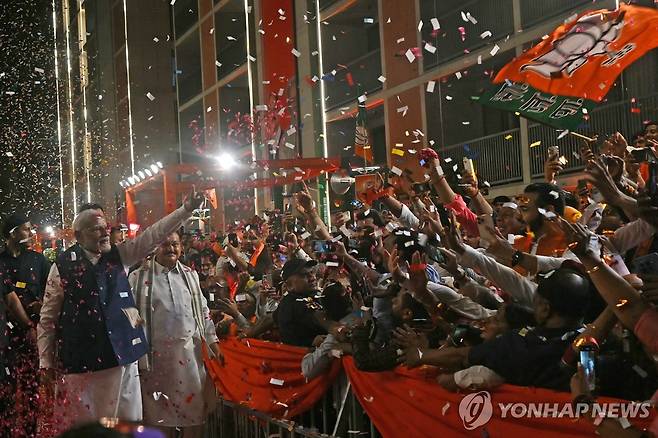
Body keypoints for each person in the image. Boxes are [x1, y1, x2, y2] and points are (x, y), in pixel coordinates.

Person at [37, 191, 205, 434]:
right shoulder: (61, 266)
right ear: (78, 235)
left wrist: (186, 209)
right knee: (86, 429)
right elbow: (48, 320)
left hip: (122, 359)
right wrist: (46, 362)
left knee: (127, 426)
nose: (105, 232)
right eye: (96, 229)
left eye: (106, 227)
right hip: (81, 366)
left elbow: (153, 235)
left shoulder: (120, 256)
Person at [129, 232, 220, 438]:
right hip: (155, 361)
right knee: (159, 418)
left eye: (175, 244)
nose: (171, 249)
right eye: (165, 244)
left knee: (194, 415)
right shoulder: (138, 276)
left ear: (181, 247)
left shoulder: (190, 275)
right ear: (155, 247)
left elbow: (202, 312)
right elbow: (130, 317)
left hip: (190, 359)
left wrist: (214, 342)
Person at [0, 213, 49, 437]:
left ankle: (30, 431)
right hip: (5, 337)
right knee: (6, 388)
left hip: (32, 333)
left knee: (31, 386)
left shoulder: (39, 260)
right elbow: (9, 299)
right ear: (12, 234)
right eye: (26, 229)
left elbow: (53, 291)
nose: (30, 233)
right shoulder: (0, 262)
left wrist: (40, 313)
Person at [273, 258, 340, 348]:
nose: (312, 278)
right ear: (289, 285)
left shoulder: (306, 295)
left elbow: (270, 318)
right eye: (303, 275)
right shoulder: (295, 303)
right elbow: (332, 327)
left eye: (312, 272)